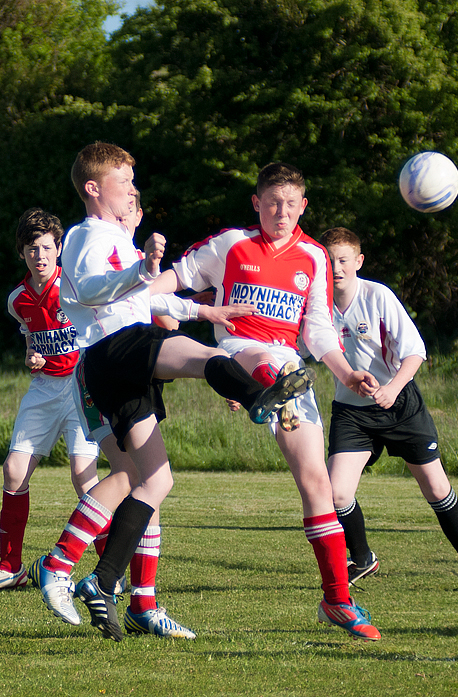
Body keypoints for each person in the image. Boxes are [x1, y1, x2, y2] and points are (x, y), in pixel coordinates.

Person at [34, 142, 313, 641]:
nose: (133, 190)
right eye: (125, 181)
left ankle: (99, 581)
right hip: (112, 349)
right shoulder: (87, 235)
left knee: (156, 481)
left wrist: (202, 311)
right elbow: (93, 289)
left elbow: (147, 296)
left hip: (122, 360)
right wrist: (139, 271)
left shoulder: (116, 238)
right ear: (94, 189)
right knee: (206, 358)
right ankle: (258, 397)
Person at [151, 162, 383, 641]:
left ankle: (337, 600)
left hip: (291, 366)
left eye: (291, 203)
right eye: (272, 202)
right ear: (256, 203)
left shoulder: (315, 257)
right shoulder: (231, 243)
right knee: (263, 357)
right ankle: (260, 390)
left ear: (303, 206)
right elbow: (173, 281)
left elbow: (317, 330)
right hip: (238, 352)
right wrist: (139, 299)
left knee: (317, 482)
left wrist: (346, 373)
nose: (282, 211)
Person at [318, 226, 458, 593]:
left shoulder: (378, 296)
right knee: (336, 493)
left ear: (358, 261)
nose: (336, 268)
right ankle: (363, 558)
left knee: (436, 488)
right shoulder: (316, 305)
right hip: (352, 412)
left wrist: (391, 389)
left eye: (343, 260)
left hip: (400, 405)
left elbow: (415, 352)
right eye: (328, 260)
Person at [0, 208, 101, 592]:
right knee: (13, 470)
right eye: (31, 249)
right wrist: (31, 357)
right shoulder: (18, 299)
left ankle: (110, 572)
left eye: (45, 247)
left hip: (81, 386)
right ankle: (11, 567)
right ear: (21, 253)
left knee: (84, 478)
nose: (39, 255)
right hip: (43, 389)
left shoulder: (75, 288)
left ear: (59, 249)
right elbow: (30, 340)